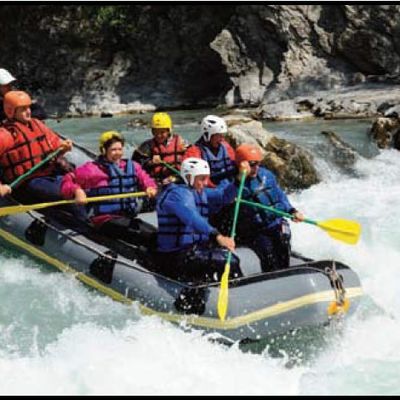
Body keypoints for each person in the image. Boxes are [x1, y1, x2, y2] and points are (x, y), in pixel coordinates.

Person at [155, 157, 248, 283]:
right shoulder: (176, 195)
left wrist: (237, 180)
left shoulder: (198, 191)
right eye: (202, 179)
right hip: (175, 254)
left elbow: (224, 196)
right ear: (189, 177)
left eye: (206, 178)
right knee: (229, 261)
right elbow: (192, 218)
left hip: (195, 249)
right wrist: (217, 236)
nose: (205, 183)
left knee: (230, 259)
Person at [60, 130, 158, 247]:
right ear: (103, 151)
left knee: (155, 233)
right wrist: (76, 190)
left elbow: (146, 179)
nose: (117, 153)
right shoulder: (91, 170)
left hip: (127, 217)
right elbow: (67, 180)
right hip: (104, 220)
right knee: (143, 234)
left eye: (120, 149)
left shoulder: (133, 167)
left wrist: (150, 187)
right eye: (113, 150)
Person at [219, 143, 305, 272]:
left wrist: (292, 210)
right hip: (254, 230)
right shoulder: (231, 181)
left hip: (275, 222)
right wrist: (239, 180)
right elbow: (224, 199)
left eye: (258, 163)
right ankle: (271, 277)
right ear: (242, 164)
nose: (256, 168)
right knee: (267, 251)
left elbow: (279, 196)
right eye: (252, 164)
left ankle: (285, 272)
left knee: (283, 241)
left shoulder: (266, 174)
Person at [0, 90, 72, 200]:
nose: (28, 112)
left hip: (49, 174)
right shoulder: (6, 134)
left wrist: (64, 147)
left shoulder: (37, 124)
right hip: (26, 183)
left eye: (28, 107)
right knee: (69, 192)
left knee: (80, 184)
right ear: (10, 111)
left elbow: (56, 145)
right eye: (23, 109)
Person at [132, 112, 187, 184]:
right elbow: (135, 166)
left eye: (162, 132)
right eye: (155, 132)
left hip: (178, 180)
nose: (158, 135)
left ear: (169, 131)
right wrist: (150, 162)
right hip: (157, 182)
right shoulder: (146, 147)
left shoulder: (182, 143)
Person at [183, 115, 236, 187]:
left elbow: (234, 164)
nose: (221, 138)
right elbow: (197, 179)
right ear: (207, 135)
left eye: (222, 135)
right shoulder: (194, 152)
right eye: (218, 135)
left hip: (228, 183)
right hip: (210, 188)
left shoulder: (225, 146)